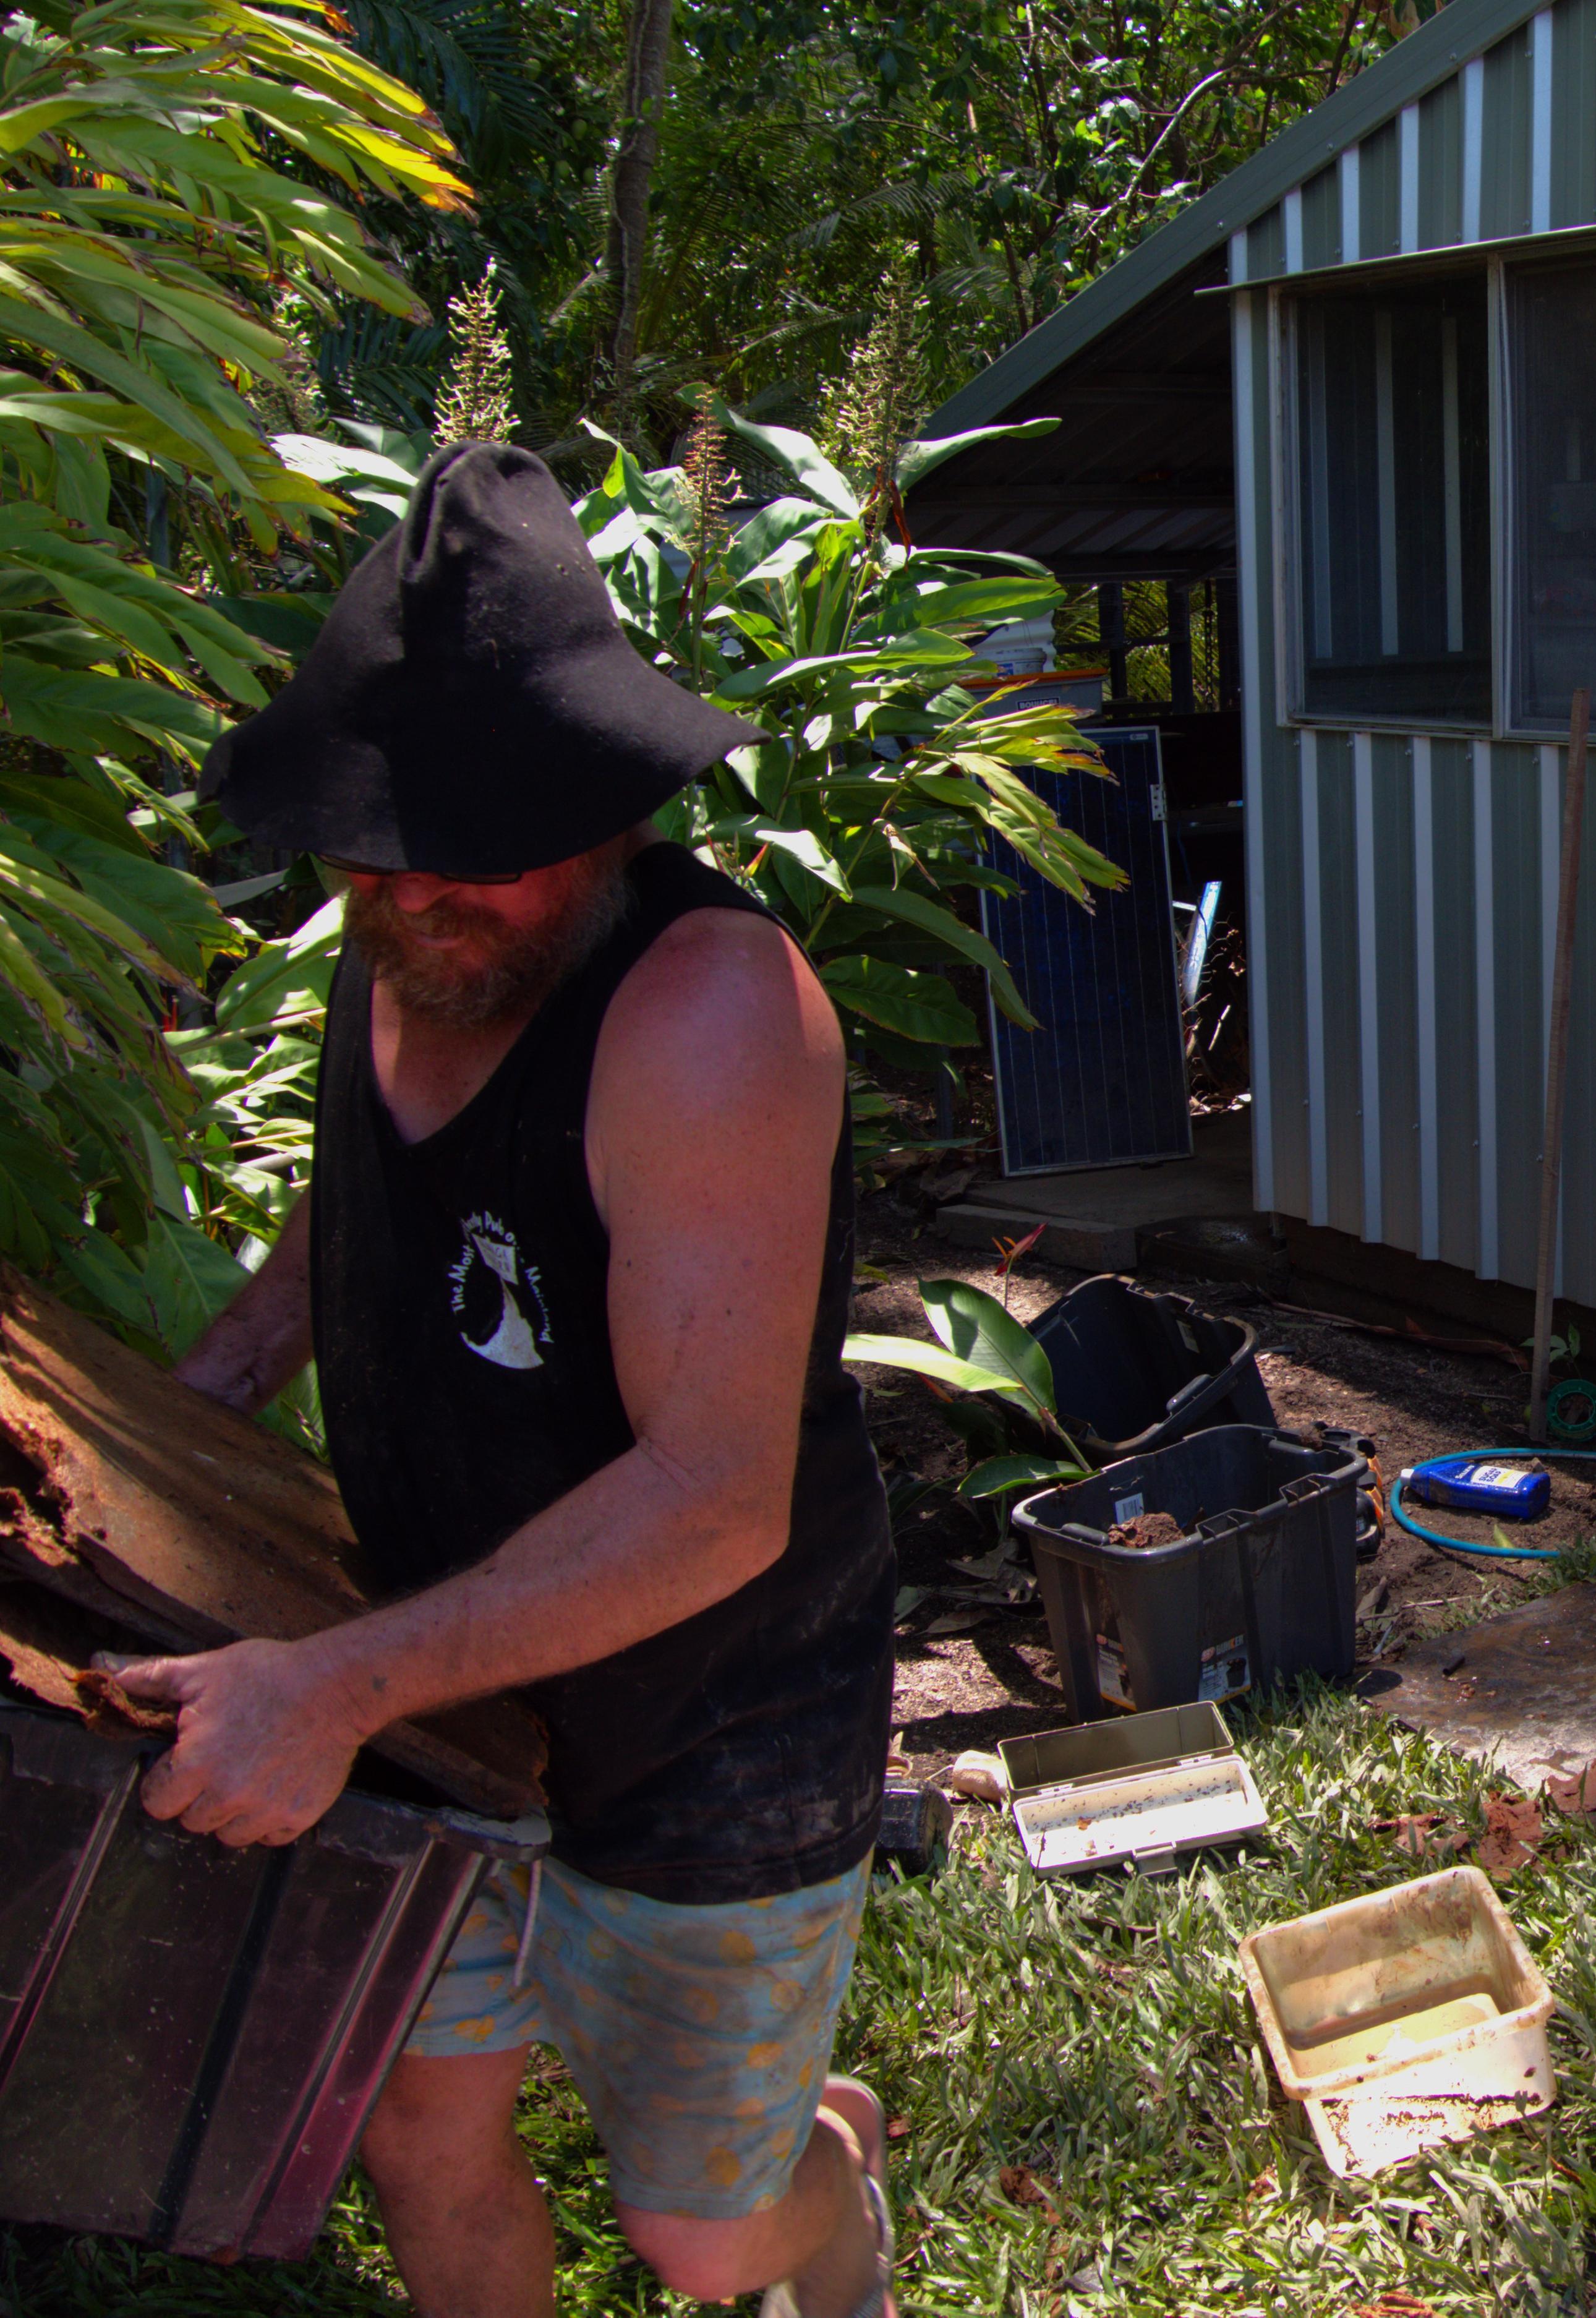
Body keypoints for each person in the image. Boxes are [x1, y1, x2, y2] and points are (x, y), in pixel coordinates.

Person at [126, 442, 900, 2318]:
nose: (424, 898)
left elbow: (716, 1498)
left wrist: (326, 1687)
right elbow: (361, 1218)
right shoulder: (409, 930)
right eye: (385, 850)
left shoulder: (710, 1012)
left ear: (611, 805)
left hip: (710, 1705)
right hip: (431, 1674)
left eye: (488, 847)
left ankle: (825, 2199)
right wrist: (192, 1406)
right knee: (419, 2141)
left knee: (694, 2239)